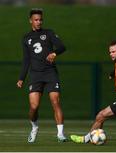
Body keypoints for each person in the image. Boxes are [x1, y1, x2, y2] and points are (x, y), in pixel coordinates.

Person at [16, 8, 67, 143]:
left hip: (50, 73)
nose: (38, 22)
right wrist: (21, 77)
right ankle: (34, 127)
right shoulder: (26, 38)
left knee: (55, 101)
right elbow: (26, 59)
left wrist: (55, 53)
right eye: (36, 20)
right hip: (35, 75)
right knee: (34, 106)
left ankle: (60, 134)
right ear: (30, 21)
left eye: (40, 19)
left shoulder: (49, 33)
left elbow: (62, 47)